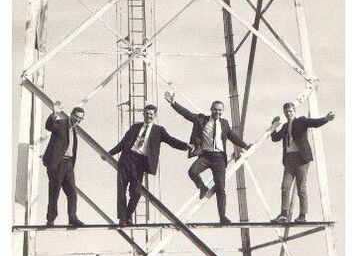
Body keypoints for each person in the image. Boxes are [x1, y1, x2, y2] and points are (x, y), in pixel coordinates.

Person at [164, 91, 251, 225]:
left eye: (220, 110)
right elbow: (187, 114)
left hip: (219, 158)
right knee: (192, 171)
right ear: (211, 110)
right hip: (205, 155)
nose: (217, 112)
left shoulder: (224, 123)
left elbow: (233, 137)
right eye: (215, 110)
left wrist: (245, 145)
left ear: (223, 111)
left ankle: (222, 217)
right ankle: (202, 187)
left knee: (220, 188)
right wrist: (174, 104)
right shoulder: (201, 119)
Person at [103, 104, 193, 227]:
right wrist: (109, 154)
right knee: (121, 190)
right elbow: (123, 143)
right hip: (126, 159)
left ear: (155, 115)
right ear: (143, 114)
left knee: (136, 192)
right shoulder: (135, 127)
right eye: (146, 113)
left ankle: (128, 214)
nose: (148, 116)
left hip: (140, 163)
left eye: (151, 114)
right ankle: (123, 219)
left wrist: (185, 145)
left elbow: (171, 141)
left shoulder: (159, 130)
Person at [271, 102, 335, 223]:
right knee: (285, 187)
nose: (288, 114)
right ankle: (284, 214)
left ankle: (302, 215)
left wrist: (325, 119)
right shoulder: (285, 126)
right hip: (289, 159)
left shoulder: (301, 121)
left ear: (294, 111)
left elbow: (313, 123)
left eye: (290, 111)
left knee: (301, 188)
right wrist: (273, 126)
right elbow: (275, 138)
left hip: (301, 159)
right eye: (286, 112)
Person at [43, 102, 85, 227]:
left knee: (72, 193)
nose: (78, 119)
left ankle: (72, 218)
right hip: (57, 162)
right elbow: (49, 126)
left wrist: (71, 164)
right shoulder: (62, 124)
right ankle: (50, 219)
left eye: (80, 118)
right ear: (71, 115)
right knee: (54, 192)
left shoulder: (74, 131)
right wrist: (54, 113)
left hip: (68, 164)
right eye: (76, 116)